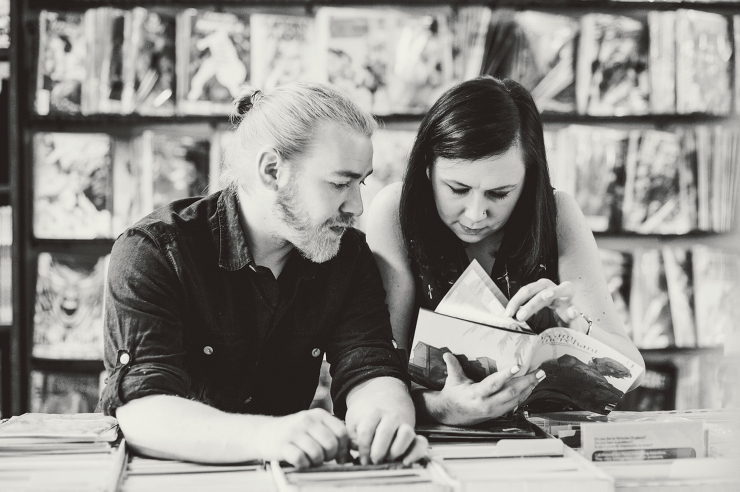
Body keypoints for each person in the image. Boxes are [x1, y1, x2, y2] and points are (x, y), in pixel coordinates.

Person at [100, 82, 427, 467]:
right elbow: (143, 410)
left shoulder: (348, 255)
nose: (356, 206)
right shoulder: (154, 251)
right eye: (340, 183)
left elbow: (370, 367)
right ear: (272, 170)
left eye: (361, 182)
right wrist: (267, 436)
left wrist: (385, 423)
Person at [366, 76, 645, 426]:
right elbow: (377, 378)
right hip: (435, 442)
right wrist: (443, 407)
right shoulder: (396, 212)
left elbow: (633, 373)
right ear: (427, 167)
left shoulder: (557, 215)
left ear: (529, 179)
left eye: (499, 193)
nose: (475, 214)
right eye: (457, 189)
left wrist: (573, 324)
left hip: (544, 444)